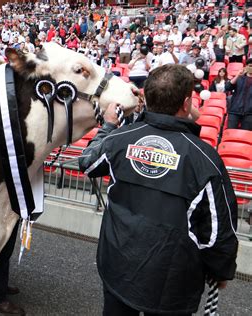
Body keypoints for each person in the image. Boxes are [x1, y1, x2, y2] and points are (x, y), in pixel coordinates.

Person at [79, 64, 238, 315]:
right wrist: (221, 270)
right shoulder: (204, 159)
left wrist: (108, 125)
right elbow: (218, 231)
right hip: (172, 283)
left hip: (118, 268)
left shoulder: (119, 139)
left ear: (146, 97)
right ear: (187, 103)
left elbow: (87, 162)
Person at [225, 58, 252, 130]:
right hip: (234, 110)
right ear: (246, 67)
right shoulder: (239, 78)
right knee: (230, 133)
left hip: (250, 113)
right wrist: (237, 75)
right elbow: (227, 87)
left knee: (246, 136)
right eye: (250, 66)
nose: (251, 68)